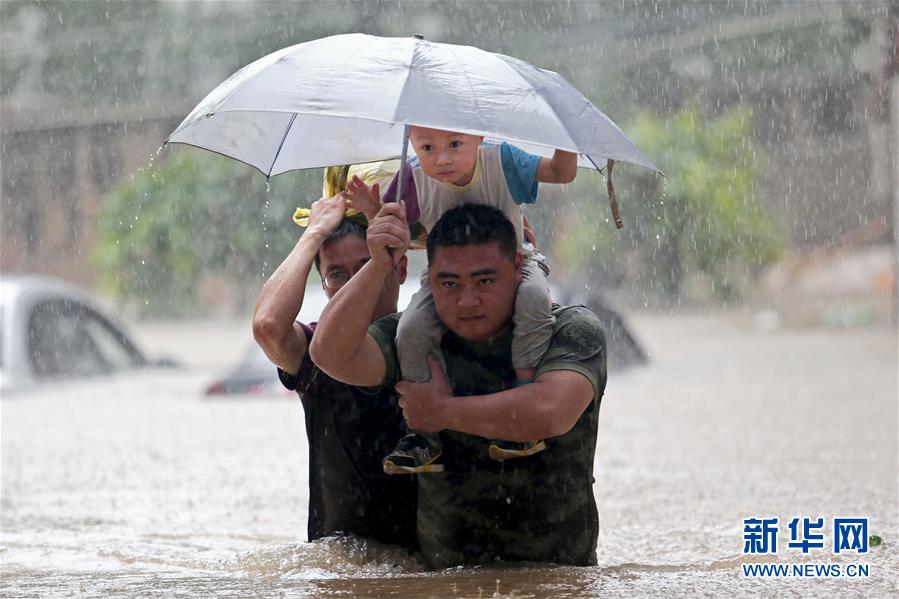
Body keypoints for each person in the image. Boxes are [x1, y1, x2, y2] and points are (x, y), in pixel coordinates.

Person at [310, 202, 607, 569]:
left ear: (517, 267)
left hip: (560, 578)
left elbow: (550, 411)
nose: (467, 301)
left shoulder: (571, 328)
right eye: (449, 283)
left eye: (485, 281)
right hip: (445, 579)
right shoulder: (414, 338)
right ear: (429, 279)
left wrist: (441, 412)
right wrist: (378, 264)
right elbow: (329, 355)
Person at [348, 126, 578, 474]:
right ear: (411, 142)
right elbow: (392, 232)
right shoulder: (409, 178)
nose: (442, 158)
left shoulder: (501, 160)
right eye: (427, 147)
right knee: (409, 329)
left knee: (533, 299)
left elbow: (562, 173)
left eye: (455, 144)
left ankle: (524, 392)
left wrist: (564, 133)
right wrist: (372, 213)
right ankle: (423, 436)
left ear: (479, 136)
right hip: (446, 279)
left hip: (515, 263)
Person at [251, 168, 417, 549]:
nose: (355, 282)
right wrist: (313, 234)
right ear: (323, 284)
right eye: (337, 275)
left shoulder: (428, 338)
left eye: (367, 265)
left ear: (401, 267)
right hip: (340, 562)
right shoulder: (313, 355)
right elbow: (267, 327)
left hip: (426, 561)